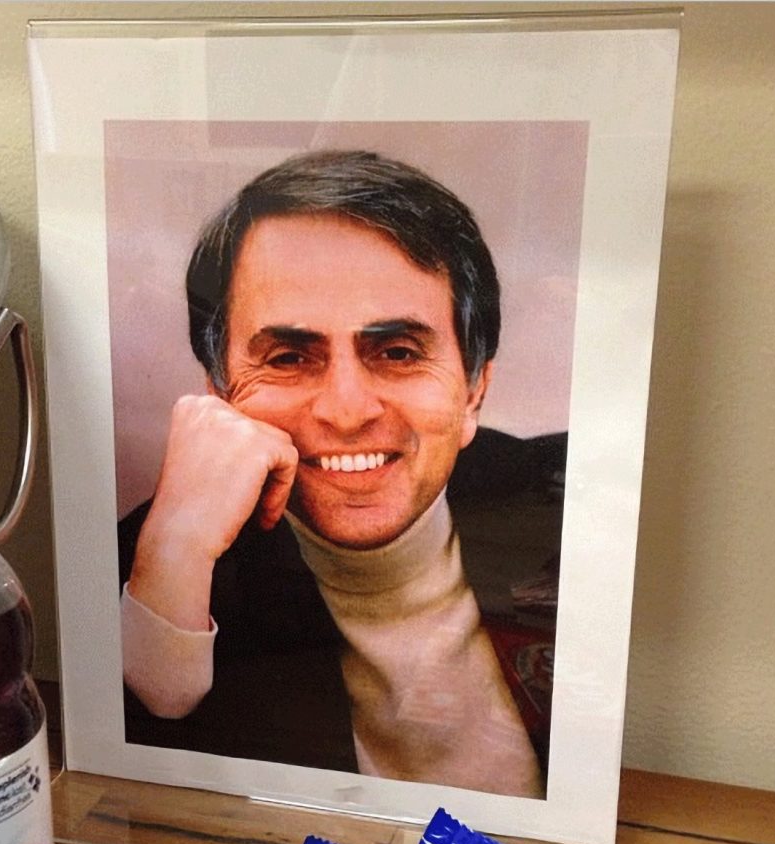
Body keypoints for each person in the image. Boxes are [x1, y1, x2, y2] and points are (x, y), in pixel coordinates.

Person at [116, 149, 567, 799]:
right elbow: (141, 793)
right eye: (291, 356)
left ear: (472, 392)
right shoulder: (145, 565)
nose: (348, 411)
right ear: (218, 394)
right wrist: (174, 552)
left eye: (398, 352)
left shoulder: (567, 500)